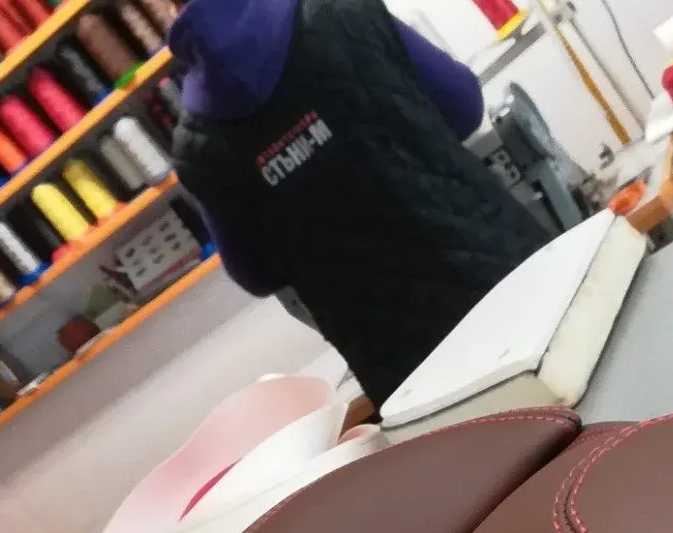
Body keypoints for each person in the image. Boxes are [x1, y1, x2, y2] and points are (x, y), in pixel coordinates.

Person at [167, 0, 548, 403]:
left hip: (406, 367)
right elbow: (464, 107)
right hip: (505, 278)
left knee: (519, 441)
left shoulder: (197, 150)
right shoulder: (342, 12)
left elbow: (257, 275)